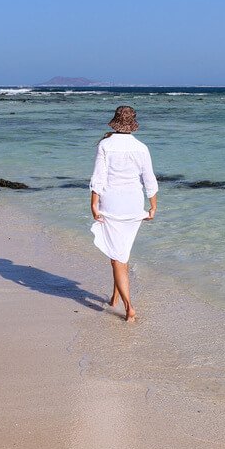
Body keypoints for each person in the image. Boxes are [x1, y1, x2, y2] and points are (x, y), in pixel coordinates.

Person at [89, 105, 158, 322]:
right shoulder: (141, 147)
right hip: (134, 204)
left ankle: (129, 307)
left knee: (118, 256)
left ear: (115, 121)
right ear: (133, 123)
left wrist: (93, 203)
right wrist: (153, 206)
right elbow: (149, 179)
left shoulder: (105, 145)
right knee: (121, 253)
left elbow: (99, 177)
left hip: (112, 204)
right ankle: (114, 297)